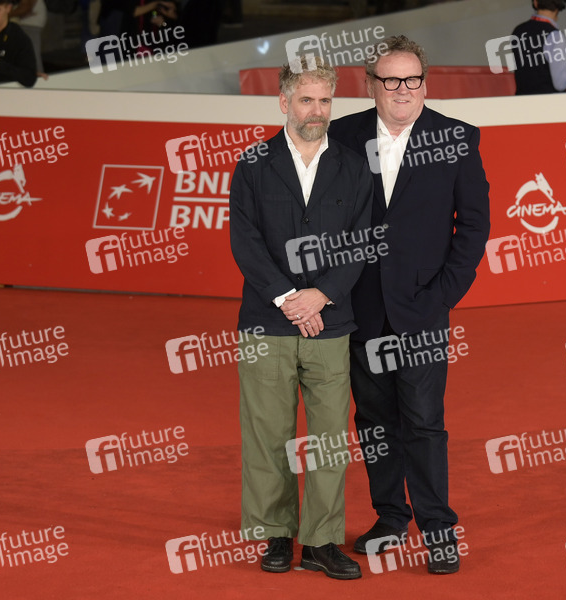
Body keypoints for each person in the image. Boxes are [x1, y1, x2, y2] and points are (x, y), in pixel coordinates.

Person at [329, 35, 491, 574]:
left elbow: (473, 226)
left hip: (423, 307)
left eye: (413, 79)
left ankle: (438, 530)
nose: (403, 89)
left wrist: (442, 296)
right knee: (375, 423)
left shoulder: (456, 138)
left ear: (425, 83)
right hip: (361, 308)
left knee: (423, 422)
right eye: (391, 80)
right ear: (369, 84)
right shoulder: (342, 136)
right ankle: (390, 518)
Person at [229, 56, 374, 580]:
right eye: (306, 99)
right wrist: (290, 297)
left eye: (325, 100)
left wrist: (322, 296)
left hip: (329, 324)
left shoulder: (354, 166)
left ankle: (321, 541)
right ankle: (276, 534)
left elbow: (361, 241)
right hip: (267, 322)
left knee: (330, 439)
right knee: (268, 436)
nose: (317, 110)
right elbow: (244, 241)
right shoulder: (252, 164)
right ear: (284, 102)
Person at [511, 0, 566, 95]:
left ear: (535, 3)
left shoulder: (518, 31)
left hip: (522, 101)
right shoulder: (555, 37)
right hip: (549, 102)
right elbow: (561, 83)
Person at [10, 0, 46, 72]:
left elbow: (25, 8)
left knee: (32, 54)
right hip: (29, 24)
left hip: (30, 25)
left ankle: (37, 74)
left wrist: (6, 14)